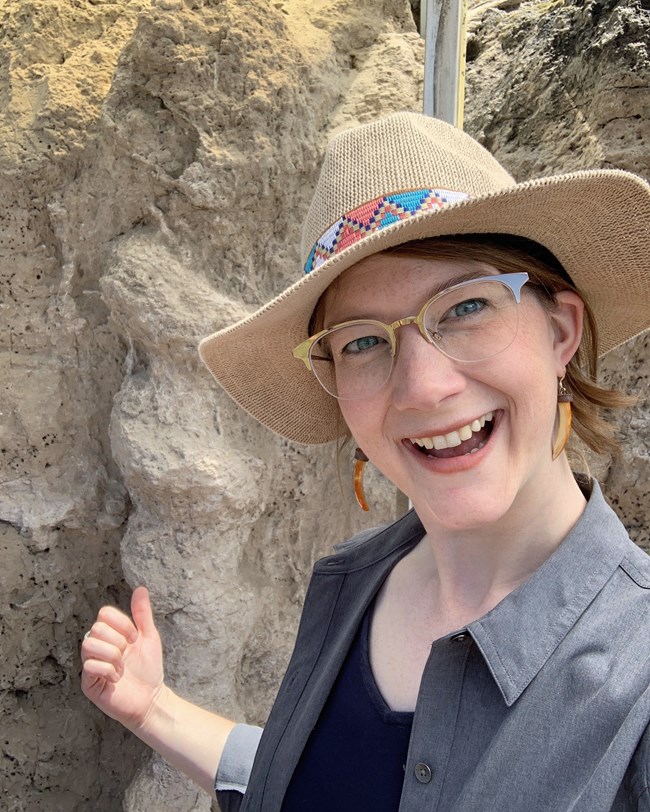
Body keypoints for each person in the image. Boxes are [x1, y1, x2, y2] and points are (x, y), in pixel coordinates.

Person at [81, 113, 650, 811]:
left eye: (466, 305)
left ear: (561, 330)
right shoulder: (352, 585)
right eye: (361, 343)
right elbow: (327, 781)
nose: (421, 386)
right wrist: (154, 708)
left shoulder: (638, 681)